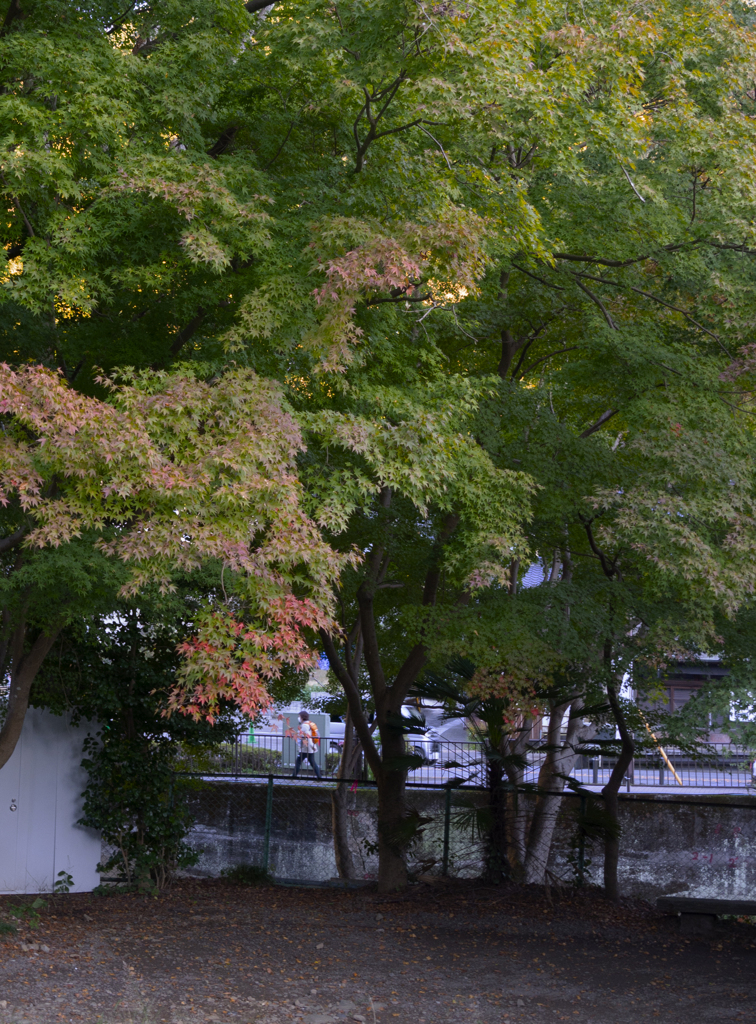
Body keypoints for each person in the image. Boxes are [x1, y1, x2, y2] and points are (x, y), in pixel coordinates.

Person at [292, 711, 322, 779]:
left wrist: (312, 746)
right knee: (312, 763)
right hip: (309, 748)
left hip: (305, 748)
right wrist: (313, 746)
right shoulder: (309, 724)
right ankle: (319, 777)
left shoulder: (305, 726)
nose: (298, 718)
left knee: (298, 762)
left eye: (299, 716)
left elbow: (307, 737)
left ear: (302, 717)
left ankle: (293, 777)